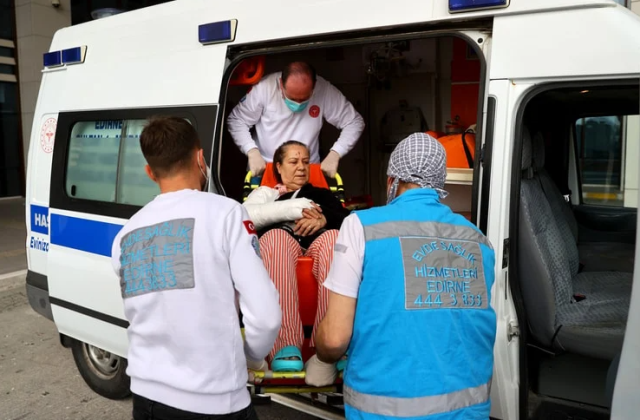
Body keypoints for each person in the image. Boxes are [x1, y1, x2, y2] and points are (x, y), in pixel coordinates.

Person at [305, 133, 497, 419]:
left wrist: (321, 360)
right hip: (469, 410)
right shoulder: (479, 240)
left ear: (391, 181)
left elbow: (334, 339)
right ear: (439, 183)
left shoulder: (361, 226)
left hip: (384, 411)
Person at [110, 116, 282, 420]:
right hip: (214, 400)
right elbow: (265, 316)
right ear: (200, 158)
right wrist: (252, 358)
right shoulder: (226, 213)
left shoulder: (126, 235)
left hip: (146, 397)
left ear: (150, 172)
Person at [242, 140, 351, 372]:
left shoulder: (321, 194)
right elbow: (247, 219)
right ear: (278, 168)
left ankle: (330, 343)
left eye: (305, 161)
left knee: (334, 239)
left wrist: (324, 219)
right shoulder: (267, 195)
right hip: (281, 243)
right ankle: (286, 345)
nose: (301, 167)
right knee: (275, 240)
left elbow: (345, 218)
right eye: (293, 162)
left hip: (317, 242)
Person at [227, 61, 365, 178]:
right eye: (292, 98)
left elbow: (354, 122)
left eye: (304, 98)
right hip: (266, 169)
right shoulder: (264, 88)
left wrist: (335, 153)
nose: (298, 104)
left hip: (306, 172)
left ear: (314, 86)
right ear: (281, 84)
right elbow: (237, 120)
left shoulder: (324, 90)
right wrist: (251, 151)